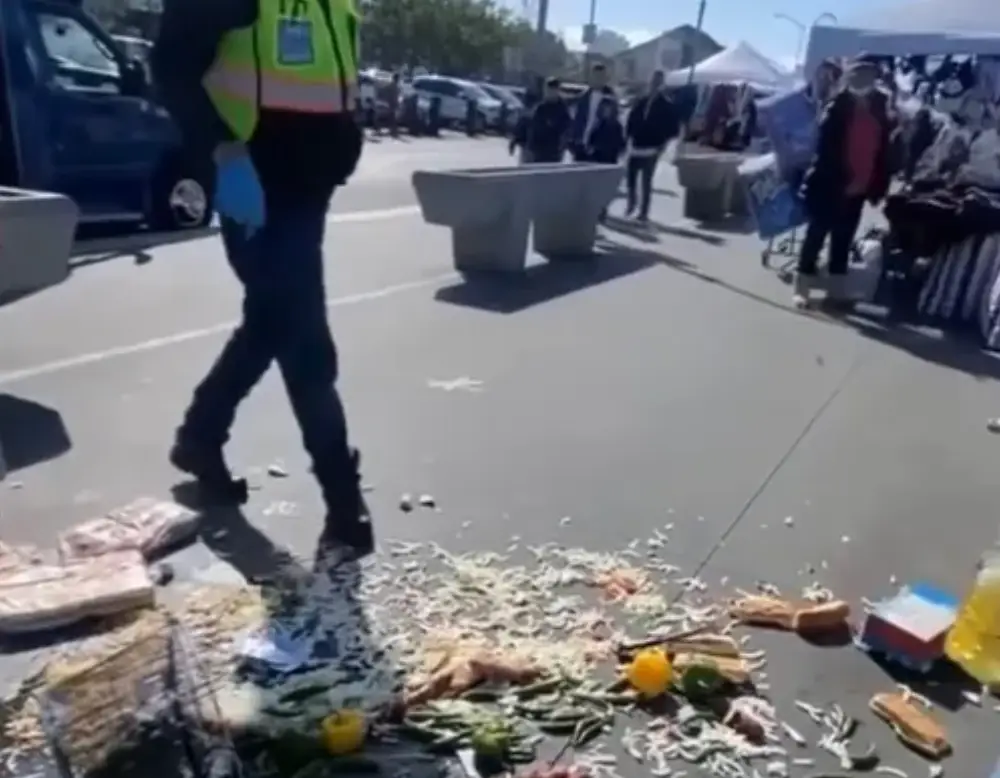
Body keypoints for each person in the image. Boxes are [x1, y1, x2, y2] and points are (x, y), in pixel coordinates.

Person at [151, 0, 373, 557]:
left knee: (271, 321)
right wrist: (223, 152)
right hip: (250, 176)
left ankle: (200, 435)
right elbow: (171, 64)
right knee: (303, 334)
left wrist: (347, 134)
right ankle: (342, 496)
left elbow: (329, 73)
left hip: (310, 186)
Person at [794, 59, 893, 309]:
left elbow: (883, 148)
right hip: (831, 184)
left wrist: (878, 182)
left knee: (844, 238)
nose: (864, 81)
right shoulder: (837, 106)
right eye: (859, 75)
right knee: (817, 234)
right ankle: (802, 287)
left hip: (860, 186)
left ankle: (836, 289)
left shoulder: (880, 108)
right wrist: (839, 178)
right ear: (849, 78)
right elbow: (824, 150)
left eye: (869, 76)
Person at [624, 69, 679, 222]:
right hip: (636, 145)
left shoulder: (666, 105)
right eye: (653, 81)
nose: (654, 84)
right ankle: (631, 203)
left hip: (652, 147)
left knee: (646, 181)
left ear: (662, 84)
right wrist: (628, 135)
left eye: (658, 81)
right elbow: (631, 119)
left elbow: (673, 129)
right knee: (631, 177)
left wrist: (663, 144)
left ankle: (643, 212)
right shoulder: (641, 101)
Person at [586, 98, 626, 220]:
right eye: (604, 108)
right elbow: (591, 140)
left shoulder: (616, 126)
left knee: (605, 189)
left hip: (609, 161)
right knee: (595, 189)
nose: (606, 111)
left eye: (608, 108)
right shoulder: (599, 123)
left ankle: (602, 210)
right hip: (596, 160)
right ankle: (595, 210)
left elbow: (621, 144)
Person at [570, 63, 618, 162]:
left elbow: (611, 123)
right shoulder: (583, 97)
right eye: (595, 76)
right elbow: (577, 121)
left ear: (605, 78)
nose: (598, 80)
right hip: (581, 147)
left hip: (600, 149)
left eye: (601, 77)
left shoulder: (610, 98)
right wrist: (574, 141)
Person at [525, 77, 571, 163]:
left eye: (552, 90)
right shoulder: (540, 108)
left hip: (553, 151)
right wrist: (529, 147)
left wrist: (561, 148)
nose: (549, 93)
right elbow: (532, 128)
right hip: (537, 150)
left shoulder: (562, 109)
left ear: (557, 90)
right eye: (547, 90)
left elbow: (566, 130)